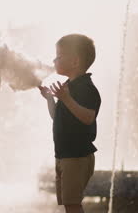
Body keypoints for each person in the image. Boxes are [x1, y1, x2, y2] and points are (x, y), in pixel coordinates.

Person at [38, 34, 101, 213]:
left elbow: (88, 117)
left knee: (73, 204)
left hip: (77, 156)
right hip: (65, 155)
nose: (54, 59)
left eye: (59, 56)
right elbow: (58, 116)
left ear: (74, 61)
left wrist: (66, 99)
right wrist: (51, 100)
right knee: (69, 203)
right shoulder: (69, 87)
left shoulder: (86, 88)